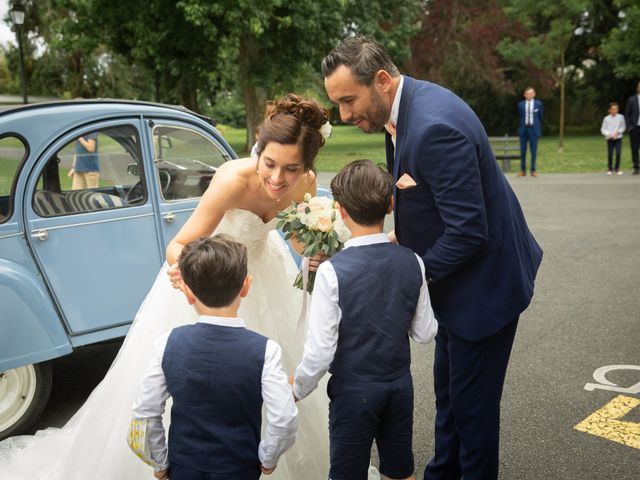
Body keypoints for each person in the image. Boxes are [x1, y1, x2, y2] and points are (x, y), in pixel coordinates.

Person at [0, 93, 344, 480]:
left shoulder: (306, 185)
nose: (278, 179)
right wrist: (186, 275)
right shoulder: (231, 180)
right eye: (270, 164)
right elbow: (179, 244)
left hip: (265, 272)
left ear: (308, 168)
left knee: (275, 374)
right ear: (257, 149)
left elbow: (298, 239)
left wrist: (316, 248)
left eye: (292, 169)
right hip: (212, 280)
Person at [322, 37, 543, 480]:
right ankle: (442, 472)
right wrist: (395, 239)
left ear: (381, 81)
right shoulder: (402, 110)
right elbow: (426, 199)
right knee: (449, 393)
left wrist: (407, 273)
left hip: (484, 289)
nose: (344, 116)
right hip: (455, 285)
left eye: (349, 101)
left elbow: (469, 231)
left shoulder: (434, 127)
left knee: (472, 410)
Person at [293, 159, 438, 480]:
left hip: (352, 391)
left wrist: (299, 387)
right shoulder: (413, 261)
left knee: (347, 472)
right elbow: (426, 332)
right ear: (390, 205)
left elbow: (321, 351)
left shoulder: (333, 271)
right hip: (400, 385)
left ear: (340, 211)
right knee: (400, 469)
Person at [128, 235, 298, 479]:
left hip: (184, 467)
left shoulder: (167, 344)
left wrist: (160, 462)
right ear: (246, 286)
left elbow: (144, 412)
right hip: (240, 468)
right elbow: (284, 418)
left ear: (188, 293)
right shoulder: (266, 349)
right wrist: (268, 457)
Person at [516, 86, 543, 177]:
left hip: (534, 130)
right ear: (524, 95)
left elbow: (540, 117)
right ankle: (522, 170)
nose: (529, 95)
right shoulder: (520, 105)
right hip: (523, 130)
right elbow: (520, 116)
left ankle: (533, 170)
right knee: (523, 151)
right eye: (527, 94)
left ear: (534, 94)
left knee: (533, 151)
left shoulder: (538, 104)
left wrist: (536, 127)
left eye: (531, 93)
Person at [600, 102, 626, 175]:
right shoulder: (606, 119)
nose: (614, 110)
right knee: (610, 154)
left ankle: (617, 168)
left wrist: (617, 133)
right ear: (609, 110)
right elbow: (603, 129)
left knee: (618, 153)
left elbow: (623, 127)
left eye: (616, 109)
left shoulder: (621, 117)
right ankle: (610, 168)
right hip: (609, 138)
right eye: (613, 109)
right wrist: (609, 134)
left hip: (618, 138)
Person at [624, 80, 640, 175]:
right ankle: (636, 167)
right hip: (634, 128)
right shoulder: (631, 100)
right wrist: (629, 127)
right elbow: (627, 114)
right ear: (637, 88)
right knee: (634, 148)